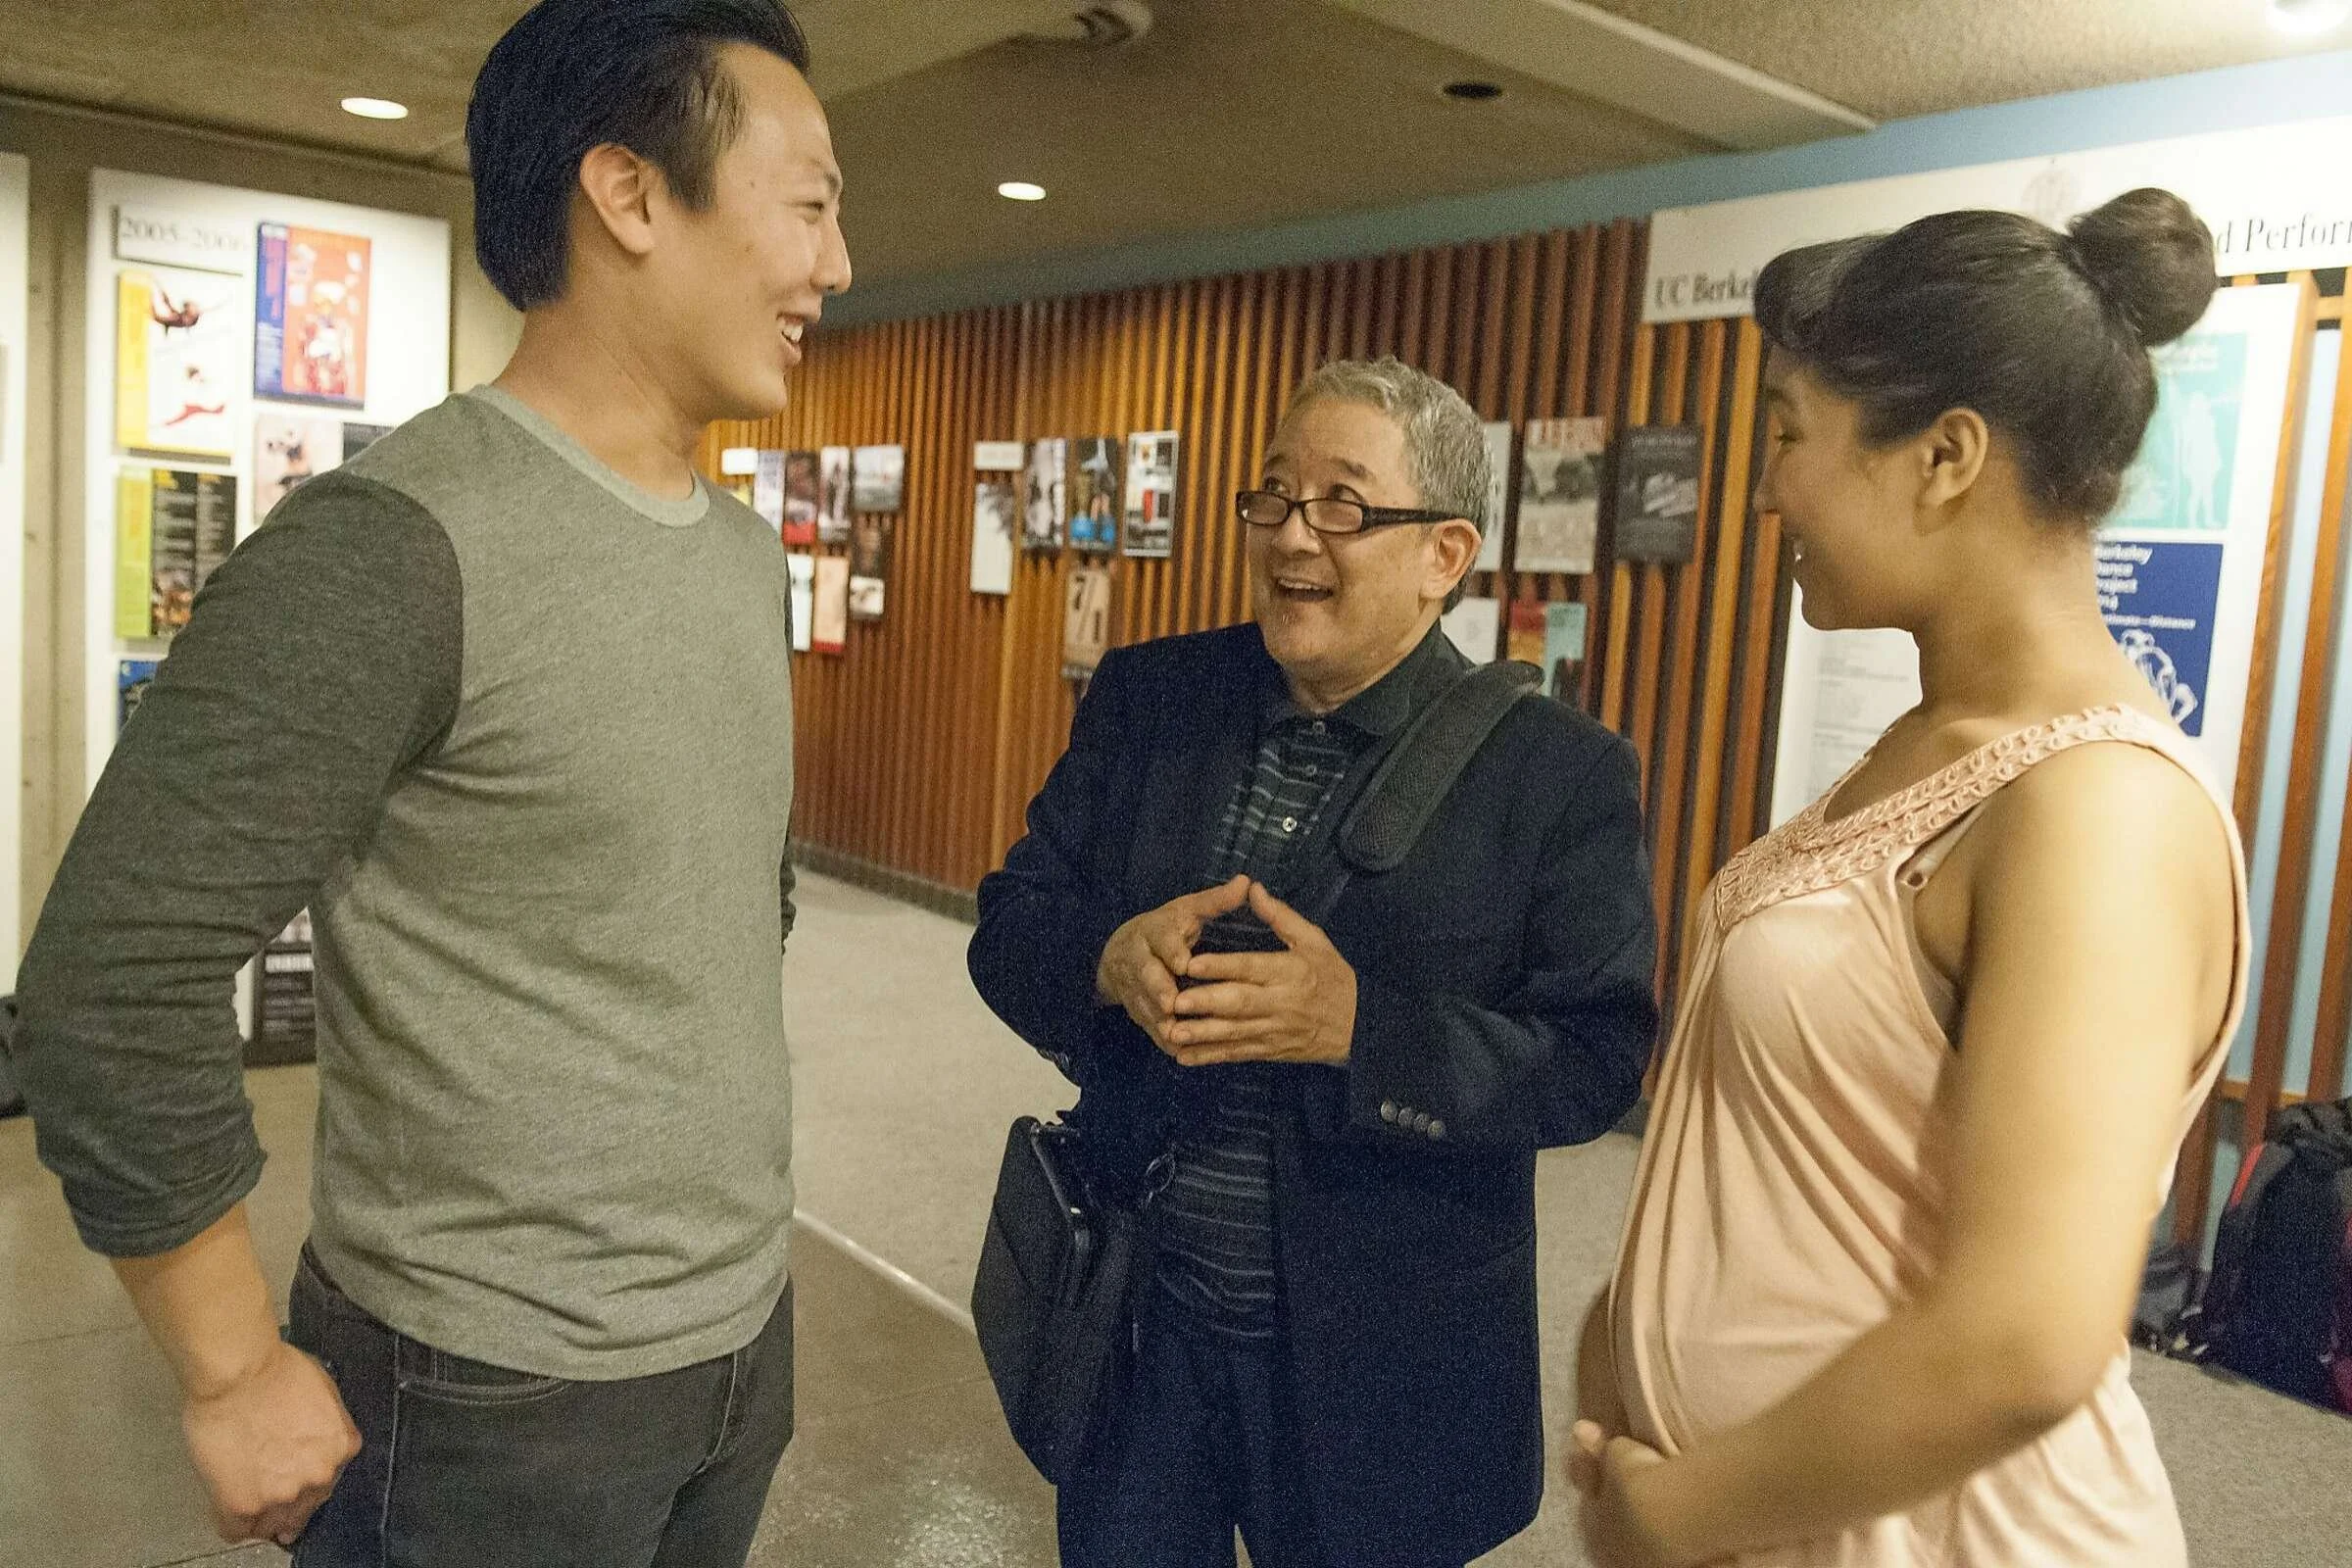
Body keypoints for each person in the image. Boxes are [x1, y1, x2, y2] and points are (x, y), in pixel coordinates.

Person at [9, 1, 849, 1562]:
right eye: (809, 202)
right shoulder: (393, 550)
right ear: (633, 196)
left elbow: (730, 903)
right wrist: (231, 1366)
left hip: (738, 1344)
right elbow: (109, 980)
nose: (837, 265)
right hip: (481, 1395)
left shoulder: (739, 560)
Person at [1573, 188, 2246, 1568]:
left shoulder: (2097, 812)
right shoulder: (1932, 744)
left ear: (1945, 456)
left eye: (1789, 438)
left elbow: (2024, 1342)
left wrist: (1679, 1514)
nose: (1766, 493)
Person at [969, 357, 1659, 1568]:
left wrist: (1360, 1030)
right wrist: (1104, 956)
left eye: (1342, 503)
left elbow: (1597, 1062)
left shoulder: (1559, 776)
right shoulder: (1151, 697)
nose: (1293, 535)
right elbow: (1011, 921)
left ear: (1446, 555)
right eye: (1273, 497)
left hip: (1378, 1375)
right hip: (1140, 1342)